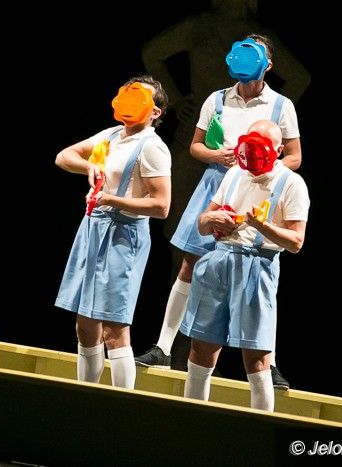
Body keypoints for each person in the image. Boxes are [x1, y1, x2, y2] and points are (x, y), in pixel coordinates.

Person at [136, 33, 301, 389]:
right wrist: (218, 156)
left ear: (268, 65)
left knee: (258, 272)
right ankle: (163, 347)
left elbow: (295, 156)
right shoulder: (218, 99)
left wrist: (264, 169)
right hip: (216, 183)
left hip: (257, 188)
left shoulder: (280, 105)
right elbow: (196, 146)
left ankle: (268, 362)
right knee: (190, 263)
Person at [181, 119, 309, 411]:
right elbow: (202, 224)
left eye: (260, 149)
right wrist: (212, 218)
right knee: (201, 347)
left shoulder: (291, 183)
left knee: (256, 356)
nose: (252, 155)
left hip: (257, 267)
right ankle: (192, 418)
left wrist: (263, 226)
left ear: (277, 150)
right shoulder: (235, 173)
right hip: (218, 261)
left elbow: (296, 241)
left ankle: (261, 424)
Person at [54, 76, 171, 389]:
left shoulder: (152, 148)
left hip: (124, 236)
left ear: (155, 112)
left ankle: (122, 404)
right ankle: (86, 396)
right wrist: (89, 167)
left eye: (140, 96)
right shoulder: (111, 135)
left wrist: (110, 199)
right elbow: (63, 156)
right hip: (93, 228)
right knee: (85, 324)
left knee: (114, 329)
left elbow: (161, 206)